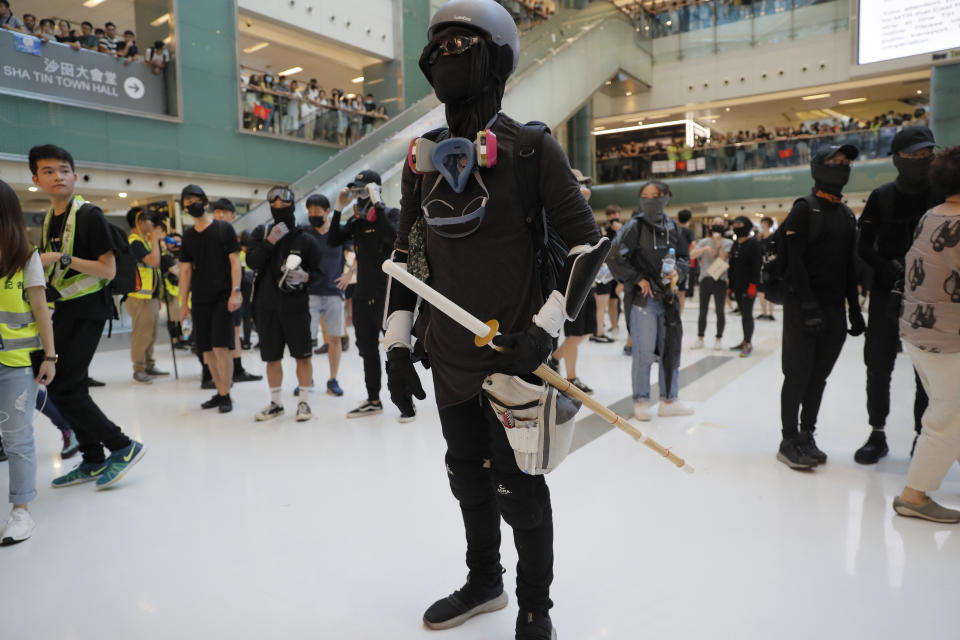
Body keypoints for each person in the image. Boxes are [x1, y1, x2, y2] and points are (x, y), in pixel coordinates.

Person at [383, 3, 606, 636]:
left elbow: (587, 248)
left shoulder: (532, 149)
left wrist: (545, 328)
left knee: (521, 493)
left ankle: (536, 606)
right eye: (440, 45)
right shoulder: (420, 161)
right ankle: (485, 583)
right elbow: (407, 257)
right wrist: (397, 342)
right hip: (449, 356)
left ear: (498, 57)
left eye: (464, 43)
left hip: (515, 358)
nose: (448, 54)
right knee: (466, 480)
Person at [31, 145, 147, 489]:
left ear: (75, 175)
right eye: (49, 171)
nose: (58, 176)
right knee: (62, 383)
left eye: (64, 170)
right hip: (66, 307)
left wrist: (62, 259)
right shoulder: (52, 217)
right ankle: (93, 458)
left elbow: (108, 270)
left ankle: (122, 445)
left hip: (90, 308)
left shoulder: (89, 215)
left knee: (64, 384)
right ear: (36, 179)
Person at [855, 126, 941, 464]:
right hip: (886, 292)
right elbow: (863, 246)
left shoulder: (943, 193)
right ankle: (877, 433)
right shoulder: (882, 196)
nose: (923, 160)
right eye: (915, 155)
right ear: (898, 159)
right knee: (878, 366)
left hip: (931, 296)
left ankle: (923, 436)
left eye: (927, 154)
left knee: (927, 371)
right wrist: (888, 268)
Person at [777, 145, 866, 470]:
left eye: (846, 163)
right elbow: (795, 263)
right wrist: (809, 305)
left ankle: (806, 434)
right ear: (818, 168)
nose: (842, 167)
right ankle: (788, 440)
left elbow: (847, 267)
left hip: (834, 310)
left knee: (819, 377)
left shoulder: (845, 214)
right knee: (797, 375)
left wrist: (854, 308)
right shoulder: (805, 209)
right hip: (802, 307)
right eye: (835, 162)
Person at [892, 146, 960, 523]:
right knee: (947, 417)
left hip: (920, 333)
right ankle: (914, 496)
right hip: (949, 337)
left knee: (951, 408)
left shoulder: (931, 215)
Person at [0, 180, 57, 545]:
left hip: (16, 364)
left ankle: (21, 511)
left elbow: (40, 309)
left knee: (17, 439)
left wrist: (50, 356)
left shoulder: (25, 258)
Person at [609, 181, 693, 421]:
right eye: (644, 196)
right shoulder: (634, 226)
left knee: (671, 350)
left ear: (666, 197)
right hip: (642, 301)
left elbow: (685, 259)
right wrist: (637, 279)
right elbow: (613, 256)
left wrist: (677, 271)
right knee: (643, 353)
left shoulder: (673, 227)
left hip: (669, 299)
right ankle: (641, 400)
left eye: (655, 196)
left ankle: (669, 400)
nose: (649, 200)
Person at [327, 170, 403, 420]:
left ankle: (404, 401)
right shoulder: (357, 221)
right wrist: (338, 209)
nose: (360, 195)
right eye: (357, 190)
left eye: (363, 189)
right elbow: (333, 240)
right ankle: (373, 399)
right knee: (367, 351)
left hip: (387, 294)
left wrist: (378, 203)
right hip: (362, 295)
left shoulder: (390, 213)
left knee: (395, 351)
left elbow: (393, 237)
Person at [246, 186, 322, 422]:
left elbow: (320, 274)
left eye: (284, 205)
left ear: (292, 206)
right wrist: (269, 242)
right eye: (274, 205)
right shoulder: (261, 233)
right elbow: (252, 263)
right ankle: (276, 403)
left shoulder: (305, 238)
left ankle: (304, 402)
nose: (279, 208)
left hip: (296, 307)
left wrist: (305, 277)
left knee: (303, 355)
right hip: (266, 306)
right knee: (271, 357)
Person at [178, 184, 243, 413]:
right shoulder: (188, 235)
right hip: (200, 298)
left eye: (195, 201)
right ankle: (220, 391)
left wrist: (236, 290)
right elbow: (185, 271)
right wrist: (183, 304)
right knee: (206, 349)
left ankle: (226, 394)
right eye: (187, 203)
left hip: (223, 297)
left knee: (220, 346)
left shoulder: (223, 228)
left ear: (205, 202)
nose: (191, 205)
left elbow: (235, 262)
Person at [549, 169, 597, 394]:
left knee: (585, 332)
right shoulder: (558, 210)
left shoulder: (583, 211)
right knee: (574, 333)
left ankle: (556, 361)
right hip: (566, 282)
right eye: (578, 184)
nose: (584, 188)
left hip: (585, 279)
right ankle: (570, 375)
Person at [210, 198, 262, 385]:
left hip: (233, 293)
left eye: (224, 212)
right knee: (218, 337)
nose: (221, 215)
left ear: (233, 216)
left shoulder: (232, 238)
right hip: (213, 295)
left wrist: (236, 291)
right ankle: (213, 374)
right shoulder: (207, 236)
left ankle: (236, 369)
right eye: (217, 211)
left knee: (235, 331)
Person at [303, 194, 349, 397]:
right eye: (310, 211)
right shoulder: (305, 232)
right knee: (306, 339)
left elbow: (353, 253)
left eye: (317, 211)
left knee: (335, 338)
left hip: (334, 292)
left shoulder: (338, 232)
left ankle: (333, 379)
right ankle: (306, 378)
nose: (313, 215)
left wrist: (350, 272)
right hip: (309, 293)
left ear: (327, 211)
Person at [125, 207, 168, 384]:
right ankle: (139, 368)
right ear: (140, 221)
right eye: (150, 220)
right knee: (142, 334)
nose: (152, 224)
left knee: (151, 333)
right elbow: (154, 261)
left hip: (150, 297)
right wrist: (156, 239)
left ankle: (149, 364)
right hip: (139, 297)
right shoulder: (134, 242)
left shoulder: (142, 241)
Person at [690, 217, 731, 350]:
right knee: (703, 310)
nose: (718, 226)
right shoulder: (704, 241)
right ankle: (700, 338)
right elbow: (691, 255)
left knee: (720, 310)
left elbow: (724, 257)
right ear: (711, 226)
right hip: (705, 278)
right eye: (715, 223)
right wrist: (705, 249)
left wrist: (718, 243)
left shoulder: (727, 242)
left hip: (720, 279)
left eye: (720, 224)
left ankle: (718, 339)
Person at [727, 216, 762, 357]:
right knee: (743, 314)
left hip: (749, 286)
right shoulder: (736, 244)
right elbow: (732, 267)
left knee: (747, 315)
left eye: (740, 224)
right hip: (737, 286)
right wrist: (730, 286)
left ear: (747, 226)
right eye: (734, 224)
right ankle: (744, 340)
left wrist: (753, 285)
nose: (736, 226)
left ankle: (748, 343)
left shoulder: (754, 244)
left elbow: (757, 266)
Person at [675, 208, 696, 312]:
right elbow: (692, 245)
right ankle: (679, 313)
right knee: (681, 291)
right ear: (689, 220)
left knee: (672, 287)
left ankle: (672, 311)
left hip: (672, 260)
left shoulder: (674, 230)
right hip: (684, 261)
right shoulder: (688, 232)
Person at [756, 216, 776, 320]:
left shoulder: (773, 238)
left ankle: (770, 313)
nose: (762, 225)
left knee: (769, 289)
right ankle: (764, 312)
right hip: (761, 268)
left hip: (770, 268)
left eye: (763, 223)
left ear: (767, 224)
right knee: (760, 291)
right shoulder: (760, 240)